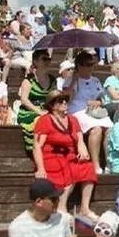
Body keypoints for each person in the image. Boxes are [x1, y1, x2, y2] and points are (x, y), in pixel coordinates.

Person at [32, 91, 98, 220]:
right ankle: (61, 207)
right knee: (67, 170)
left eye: (65, 100)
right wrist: (40, 168)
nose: (64, 103)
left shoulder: (73, 120)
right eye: (60, 101)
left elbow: (79, 139)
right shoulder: (44, 120)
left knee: (88, 168)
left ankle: (85, 208)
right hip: (51, 156)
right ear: (52, 105)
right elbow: (37, 146)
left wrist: (82, 150)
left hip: (69, 155)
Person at [17, 50, 56, 155]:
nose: (47, 61)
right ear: (35, 61)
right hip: (29, 112)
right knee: (43, 120)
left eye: (49, 59)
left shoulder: (52, 80)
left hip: (46, 110)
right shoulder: (29, 80)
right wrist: (39, 111)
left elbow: (53, 98)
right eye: (44, 59)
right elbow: (24, 100)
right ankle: (39, 150)